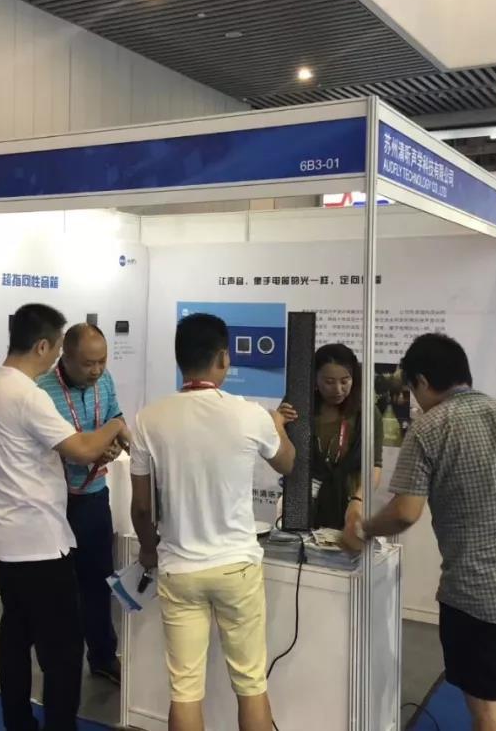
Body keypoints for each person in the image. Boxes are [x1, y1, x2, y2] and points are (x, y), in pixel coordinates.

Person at [353, 333, 496, 731]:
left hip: (477, 598)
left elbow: (405, 512)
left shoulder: (429, 427)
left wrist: (364, 528)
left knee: (489, 711)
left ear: (420, 381)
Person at [129, 313, 296, 731]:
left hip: (179, 568)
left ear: (179, 359)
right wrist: (277, 426)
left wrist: (148, 549)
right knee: (251, 683)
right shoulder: (250, 414)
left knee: (185, 690)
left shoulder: (149, 418)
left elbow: (142, 507)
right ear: (223, 358)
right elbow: (288, 463)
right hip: (237, 567)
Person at [0, 304, 130, 731]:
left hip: (8, 537)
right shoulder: (30, 395)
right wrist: (116, 426)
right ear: (44, 346)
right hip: (38, 540)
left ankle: (18, 722)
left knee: (16, 636)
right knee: (62, 651)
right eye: (60, 346)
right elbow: (81, 449)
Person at [38, 323, 124, 685]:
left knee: (99, 581)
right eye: (88, 364)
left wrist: (118, 445)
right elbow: (58, 448)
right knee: (59, 591)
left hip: (94, 497)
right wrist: (94, 446)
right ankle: (61, 667)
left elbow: (116, 420)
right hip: (54, 502)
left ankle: (103, 656)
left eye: (102, 361)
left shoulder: (105, 381)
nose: (97, 370)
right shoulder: (41, 391)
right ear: (65, 358)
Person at [277, 343, 380, 549]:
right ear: (314, 379)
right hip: (302, 501)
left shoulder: (367, 413)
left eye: (345, 381)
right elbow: (282, 460)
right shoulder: (297, 407)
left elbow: (374, 466)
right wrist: (278, 425)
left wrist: (358, 501)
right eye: (329, 382)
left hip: (351, 503)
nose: (338, 389)